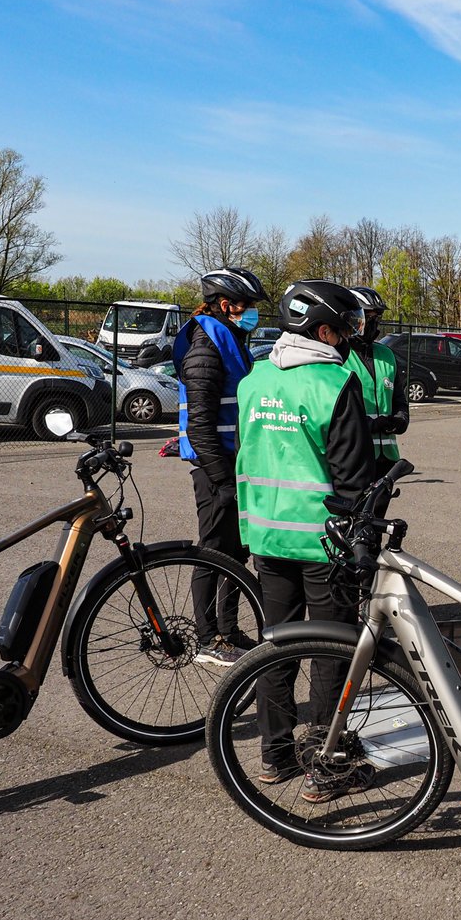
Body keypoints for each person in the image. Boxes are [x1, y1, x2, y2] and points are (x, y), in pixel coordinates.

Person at [235, 279, 375, 802]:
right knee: (331, 653)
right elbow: (353, 477)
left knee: (278, 649)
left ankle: (274, 756)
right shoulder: (334, 383)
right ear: (321, 331)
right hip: (324, 542)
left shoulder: (255, 379)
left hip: (268, 536)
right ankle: (328, 764)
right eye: (341, 330)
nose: (346, 340)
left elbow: (246, 455)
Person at [175, 267, 264, 667]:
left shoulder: (228, 339)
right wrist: (222, 480)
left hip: (233, 463)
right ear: (226, 305)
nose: (252, 316)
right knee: (211, 552)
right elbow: (200, 423)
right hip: (215, 470)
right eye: (247, 307)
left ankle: (229, 629)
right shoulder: (204, 348)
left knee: (235, 552)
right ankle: (207, 638)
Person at [344, 285, 410, 478]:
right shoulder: (340, 357)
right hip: (355, 457)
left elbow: (398, 399)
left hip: (386, 459)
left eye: (376, 317)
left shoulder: (386, 355)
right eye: (367, 316)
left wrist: (400, 419)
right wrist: (373, 425)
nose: (373, 322)